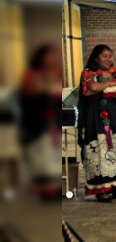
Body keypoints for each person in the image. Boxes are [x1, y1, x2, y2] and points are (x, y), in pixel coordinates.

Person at [77, 44, 116, 201]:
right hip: (98, 116)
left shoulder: (115, 74)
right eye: (105, 56)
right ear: (96, 57)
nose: (108, 59)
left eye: (110, 56)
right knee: (101, 150)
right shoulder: (89, 73)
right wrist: (110, 84)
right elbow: (93, 87)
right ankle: (101, 190)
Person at [19, 45, 62, 199]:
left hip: (54, 121)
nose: (52, 59)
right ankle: (44, 190)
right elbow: (30, 91)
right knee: (41, 155)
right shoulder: (32, 74)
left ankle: (55, 188)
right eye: (49, 56)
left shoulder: (56, 72)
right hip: (39, 120)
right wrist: (47, 86)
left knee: (54, 155)